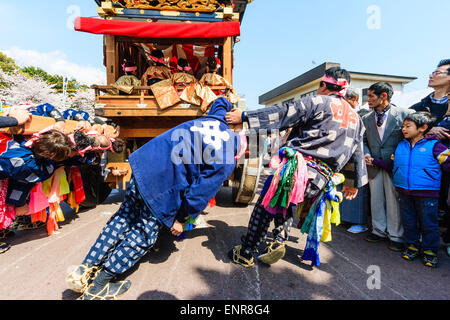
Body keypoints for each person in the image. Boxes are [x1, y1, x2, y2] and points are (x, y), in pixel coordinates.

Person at [65, 97, 243, 300]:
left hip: (142, 168)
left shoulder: (206, 121)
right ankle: (99, 285)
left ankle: (84, 269)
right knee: (143, 235)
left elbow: (219, 103)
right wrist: (181, 219)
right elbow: (201, 191)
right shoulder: (228, 149)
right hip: (163, 187)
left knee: (123, 218)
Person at [225, 67, 368, 268]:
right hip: (322, 178)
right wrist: (353, 183)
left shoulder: (317, 101)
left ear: (324, 85)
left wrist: (245, 116)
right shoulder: (357, 119)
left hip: (297, 167)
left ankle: (247, 251)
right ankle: (278, 241)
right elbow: (356, 153)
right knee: (286, 203)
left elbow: (281, 115)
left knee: (266, 205)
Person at [369, 112, 450, 267]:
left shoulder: (435, 146)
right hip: (404, 192)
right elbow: (392, 166)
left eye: (408, 126)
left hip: (427, 194)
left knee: (428, 223)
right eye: (403, 126)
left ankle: (430, 252)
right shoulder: (400, 146)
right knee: (409, 222)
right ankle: (411, 247)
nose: (403, 129)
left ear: (423, 128)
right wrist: (375, 162)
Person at [0, 129, 99, 254]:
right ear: (52, 155)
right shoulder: (30, 165)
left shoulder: (23, 139)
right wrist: (20, 205)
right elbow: (22, 185)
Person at [363, 82, 412, 252]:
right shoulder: (366, 118)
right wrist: (366, 153)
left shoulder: (405, 114)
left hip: (394, 166)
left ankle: (396, 235)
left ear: (384, 96)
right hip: (373, 165)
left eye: (371, 96)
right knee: (375, 200)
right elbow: (362, 140)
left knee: (394, 201)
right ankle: (378, 230)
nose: (368, 100)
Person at [341, 88, 370, 233]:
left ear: (353, 99)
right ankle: (345, 219)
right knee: (343, 188)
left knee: (356, 189)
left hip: (360, 155)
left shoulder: (363, 115)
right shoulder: (342, 113)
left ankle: (359, 222)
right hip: (343, 156)